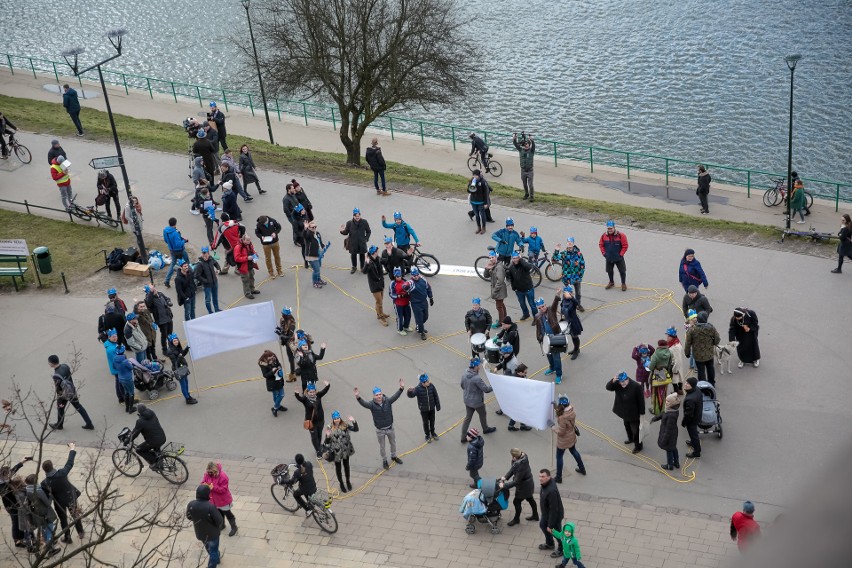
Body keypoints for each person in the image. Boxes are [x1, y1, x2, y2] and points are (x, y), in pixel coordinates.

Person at [354, 381, 405, 470]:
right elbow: (364, 404)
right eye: (377, 395)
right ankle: (384, 460)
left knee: (393, 443)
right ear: (374, 396)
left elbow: (395, 396)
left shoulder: (388, 401)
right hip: (380, 430)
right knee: (382, 447)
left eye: (380, 394)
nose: (379, 396)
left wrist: (401, 388)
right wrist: (358, 397)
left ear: (382, 394)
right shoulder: (372, 405)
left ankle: (394, 456)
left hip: (390, 428)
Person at [40, 444, 85, 543]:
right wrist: (72, 449)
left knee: (63, 519)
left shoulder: (44, 483)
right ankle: (80, 532)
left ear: (44, 470)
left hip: (59, 502)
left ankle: (67, 537)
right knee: (75, 514)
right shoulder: (62, 473)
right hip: (70, 497)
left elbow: (47, 496)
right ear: (52, 466)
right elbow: (70, 463)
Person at [47, 355, 94, 431]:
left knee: (61, 408)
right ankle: (89, 423)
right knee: (79, 407)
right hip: (72, 391)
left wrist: (59, 400)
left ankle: (59, 425)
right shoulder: (65, 366)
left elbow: (58, 389)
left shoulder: (56, 376)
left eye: (49, 362)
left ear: (52, 363)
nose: (48, 364)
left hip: (63, 395)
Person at [606, 372, 646, 454]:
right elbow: (608, 388)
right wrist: (612, 381)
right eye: (621, 382)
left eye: (624, 381)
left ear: (628, 379)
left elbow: (641, 401)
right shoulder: (617, 384)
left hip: (633, 414)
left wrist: (642, 413)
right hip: (624, 411)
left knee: (636, 431)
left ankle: (638, 446)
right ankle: (630, 439)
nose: (622, 384)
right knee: (627, 426)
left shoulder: (636, 387)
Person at [186, 484, 224, 568]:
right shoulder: (210, 506)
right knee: (213, 551)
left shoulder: (191, 504)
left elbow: (189, 516)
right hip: (213, 534)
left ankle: (216, 558)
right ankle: (213, 563)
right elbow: (219, 521)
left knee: (209, 549)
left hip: (200, 533)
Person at [459, 358, 496, 442]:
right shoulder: (476, 378)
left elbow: (462, 385)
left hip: (467, 401)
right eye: (478, 366)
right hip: (477, 402)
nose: (479, 367)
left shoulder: (465, 373)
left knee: (467, 418)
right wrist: (494, 384)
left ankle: (463, 437)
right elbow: (486, 389)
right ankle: (485, 429)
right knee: (482, 415)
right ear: (475, 367)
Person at [24, 473, 60, 556]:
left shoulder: (27, 490)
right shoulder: (38, 491)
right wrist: (51, 496)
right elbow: (47, 503)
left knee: (44, 528)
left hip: (36, 513)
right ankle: (50, 549)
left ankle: (48, 542)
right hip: (45, 512)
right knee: (49, 529)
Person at [323, 412, 359, 493]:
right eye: (335, 419)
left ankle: (348, 481)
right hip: (336, 452)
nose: (337, 420)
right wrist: (328, 436)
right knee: (338, 468)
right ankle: (341, 483)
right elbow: (326, 443)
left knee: (346, 466)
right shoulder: (329, 427)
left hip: (345, 449)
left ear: (340, 418)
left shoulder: (345, 425)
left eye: (338, 418)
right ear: (333, 419)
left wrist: (354, 421)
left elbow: (356, 429)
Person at [501, 448, 538, 526]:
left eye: (512, 456)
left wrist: (504, 485)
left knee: (516, 501)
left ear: (515, 456)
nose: (512, 458)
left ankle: (516, 519)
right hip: (528, 483)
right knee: (530, 498)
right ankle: (535, 515)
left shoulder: (520, 465)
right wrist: (505, 477)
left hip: (523, 486)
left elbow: (516, 481)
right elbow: (513, 469)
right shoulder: (522, 458)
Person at [553, 395, 585, 482]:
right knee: (574, 451)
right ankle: (582, 468)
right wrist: (555, 406)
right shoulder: (572, 411)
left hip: (563, 441)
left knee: (559, 457)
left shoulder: (562, 418)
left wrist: (553, 427)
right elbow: (562, 411)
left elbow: (561, 432)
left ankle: (558, 477)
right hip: (571, 436)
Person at [295, 381, 331, 457]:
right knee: (314, 437)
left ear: (315, 391)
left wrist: (327, 385)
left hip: (320, 420)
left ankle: (318, 445)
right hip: (311, 422)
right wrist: (296, 393)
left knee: (319, 434)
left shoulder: (318, 395)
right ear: (307, 392)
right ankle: (318, 450)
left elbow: (325, 391)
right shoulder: (305, 399)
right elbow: (299, 398)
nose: (312, 394)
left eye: (313, 392)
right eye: (310, 392)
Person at [202, 462, 237, 537]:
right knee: (219, 513)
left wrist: (213, 488)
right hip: (213, 500)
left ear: (215, 471)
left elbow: (223, 490)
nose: (210, 474)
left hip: (223, 500)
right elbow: (203, 482)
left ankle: (234, 527)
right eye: (209, 472)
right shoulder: (207, 474)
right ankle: (222, 525)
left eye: (211, 472)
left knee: (228, 513)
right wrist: (204, 485)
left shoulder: (223, 476)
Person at [684, 311, 720, 385]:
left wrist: (687, 353)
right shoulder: (711, 327)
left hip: (698, 355)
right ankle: (711, 383)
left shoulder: (692, 330)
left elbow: (688, 343)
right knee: (710, 368)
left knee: (701, 370)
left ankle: (702, 385)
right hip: (709, 353)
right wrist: (713, 343)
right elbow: (717, 339)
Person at [534, 294, 563, 384]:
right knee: (549, 355)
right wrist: (539, 337)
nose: (542, 309)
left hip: (554, 337)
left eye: (543, 306)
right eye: (539, 308)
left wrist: (557, 295)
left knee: (556, 357)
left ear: (545, 305)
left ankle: (559, 374)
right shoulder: (537, 316)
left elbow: (555, 303)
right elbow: (538, 328)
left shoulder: (551, 310)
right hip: (545, 339)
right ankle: (552, 368)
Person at [650, 392, 681, 470]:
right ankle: (676, 463)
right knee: (673, 448)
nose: (666, 402)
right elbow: (662, 414)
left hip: (669, 434)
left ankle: (669, 465)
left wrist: (664, 440)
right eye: (666, 400)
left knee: (669, 450)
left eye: (668, 401)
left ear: (672, 403)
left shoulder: (671, 415)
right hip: (673, 433)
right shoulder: (672, 409)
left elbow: (668, 430)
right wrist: (655, 418)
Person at [553, 237, 586, 312]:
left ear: (573, 243)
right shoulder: (564, 254)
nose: (569, 243)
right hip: (567, 278)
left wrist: (580, 275)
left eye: (571, 242)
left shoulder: (579, 254)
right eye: (568, 242)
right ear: (567, 244)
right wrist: (556, 250)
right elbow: (554, 259)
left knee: (578, 293)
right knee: (567, 294)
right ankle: (567, 307)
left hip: (576, 277)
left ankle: (578, 304)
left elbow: (582, 265)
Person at [538, 468, 565, 559]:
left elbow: (554, 509)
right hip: (546, 513)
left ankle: (562, 548)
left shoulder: (551, 491)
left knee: (556, 533)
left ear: (549, 477)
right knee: (542, 525)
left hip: (554, 516)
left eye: (543, 476)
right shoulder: (546, 483)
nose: (540, 478)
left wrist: (550, 524)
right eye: (540, 476)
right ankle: (550, 543)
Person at [407, 373, 441, 442]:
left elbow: (435, 396)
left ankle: (433, 433)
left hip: (431, 408)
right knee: (425, 423)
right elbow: (411, 395)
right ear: (423, 383)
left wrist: (437, 406)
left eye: (428, 380)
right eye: (427, 381)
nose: (429, 382)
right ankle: (427, 435)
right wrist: (409, 391)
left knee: (432, 421)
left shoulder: (431, 386)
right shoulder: (417, 389)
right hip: (424, 410)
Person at [166, 333, 198, 405]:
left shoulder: (177, 347)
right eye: (174, 341)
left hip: (183, 367)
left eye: (177, 340)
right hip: (178, 369)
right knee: (183, 384)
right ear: (171, 342)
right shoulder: (170, 351)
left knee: (186, 383)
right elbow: (175, 363)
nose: (176, 342)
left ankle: (188, 395)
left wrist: (187, 348)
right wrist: (180, 356)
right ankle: (187, 399)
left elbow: (182, 354)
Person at [363, 245, 389, 327]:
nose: (378, 252)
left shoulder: (378, 258)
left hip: (381, 283)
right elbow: (364, 271)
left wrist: (390, 254)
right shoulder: (369, 262)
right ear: (374, 252)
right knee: (379, 302)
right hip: (374, 286)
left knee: (380, 300)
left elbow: (385, 261)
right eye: (377, 251)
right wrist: (366, 263)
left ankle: (380, 313)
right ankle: (381, 317)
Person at [506, 252, 537, 321]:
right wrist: (514, 288)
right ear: (512, 259)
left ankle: (536, 317)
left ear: (519, 258)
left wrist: (521, 260)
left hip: (528, 289)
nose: (515, 260)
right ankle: (526, 314)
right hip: (519, 290)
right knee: (522, 304)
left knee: (532, 304)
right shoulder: (511, 268)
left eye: (517, 258)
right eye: (514, 258)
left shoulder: (523, 265)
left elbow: (529, 267)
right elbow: (511, 279)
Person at [144, 284, 174, 354]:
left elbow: (167, 298)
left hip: (168, 317)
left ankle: (171, 346)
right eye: (151, 290)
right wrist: (151, 293)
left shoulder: (160, 294)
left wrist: (168, 302)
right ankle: (165, 350)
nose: (154, 290)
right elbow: (148, 303)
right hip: (161, 320)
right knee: (164, 335)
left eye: (153, 288)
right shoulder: (149, 298)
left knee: (170, 333)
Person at [599, 220, 629, 290]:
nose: (610, 230)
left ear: (614, 228)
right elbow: (601, 245)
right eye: (608, 228)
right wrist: (604, 253)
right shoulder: (603, 236)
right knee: (609, 271)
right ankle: (611, 282)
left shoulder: (621, 235)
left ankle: (623, 283)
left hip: (619, 258)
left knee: (622, 271)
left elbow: (625, 246)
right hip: (609, 257)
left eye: (611, 228)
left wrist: (621, 254)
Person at [340, 208, 371, 273]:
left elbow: (368, 231)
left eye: (358, 216)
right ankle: (354, 267)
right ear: (353, 216)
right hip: (353, 243)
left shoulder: (364, 222)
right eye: (356, 216)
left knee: (362, 255)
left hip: (362, 242)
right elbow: (346, 232)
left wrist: (366, 238)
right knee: (353, 255)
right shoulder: (349, 223)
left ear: (360, 215)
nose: (357, 217)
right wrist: (342, 231)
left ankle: (362, 267)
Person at [648, 339, 674, 416]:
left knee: (655, 393)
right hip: (665, 375)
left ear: (659, 345)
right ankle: (663, 409)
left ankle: (655, 410)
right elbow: (670, 364)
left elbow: (651, 367)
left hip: (657, 376)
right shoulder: (670, 352)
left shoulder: (656, 354)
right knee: (663, 393)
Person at [258, 350, 288, 417]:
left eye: (273, 357)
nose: (272, 358)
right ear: (266, 357)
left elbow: (279, 364)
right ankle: (277, 407)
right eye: (270, 358)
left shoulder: (274, 358)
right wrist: (272, 371)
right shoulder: (263, 364)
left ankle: (275, 407)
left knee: (281, 394)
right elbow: (265, 375)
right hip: (272, 382)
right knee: (276, 395)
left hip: (279, 380)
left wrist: (279, 367)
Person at [162, 217, 190, 289]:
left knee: (173, 264)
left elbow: (165, 240)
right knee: (187, 262)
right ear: (175, 223)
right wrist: (184, 241)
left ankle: (167, 280)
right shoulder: (175, 233)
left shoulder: (165, 230)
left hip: (172, 250)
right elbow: (178, 244)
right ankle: (189, 277)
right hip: (180, 250)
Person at [408, 267, 434, 340]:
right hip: (416, 304)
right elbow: (405, 287)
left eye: (417, 275)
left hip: (424, 301)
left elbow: (428, 288)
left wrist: (431, 297)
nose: (416, 277)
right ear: (412, 275)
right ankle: (421, 332)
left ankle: (419, 326)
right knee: (419, 318)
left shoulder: (423, 279)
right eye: (414, 275)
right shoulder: (410, 282)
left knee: (425, 316)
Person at [483, 250, 508, 322]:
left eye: (492, 257)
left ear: (496, 257)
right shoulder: (493, 265)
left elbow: (500, 281)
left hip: (499, 290)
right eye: (489, 258)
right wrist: (487, 269)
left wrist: (494, 291)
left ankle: (501, 322)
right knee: (501, 304)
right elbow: (486, 276)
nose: (491, 259)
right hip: (497, 289)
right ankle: (505, 318)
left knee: (499, 307)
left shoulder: (499, 267)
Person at [233, 233, 261, 299]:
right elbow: (236, 258)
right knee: (246, 280)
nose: (249, 241)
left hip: (250, 265)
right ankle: (247, 293)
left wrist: (255, 254)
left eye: (249, 240)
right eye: (247, 240)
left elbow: (252, 251)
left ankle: (252, 289)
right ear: (243, 240)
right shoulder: (238, 247)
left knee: (251, 278)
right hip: (243, 267)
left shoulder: (249, 244)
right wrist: (247, 258)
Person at [560, 285, 583, 361]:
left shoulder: (572, 301)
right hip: (567, 321)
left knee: (575, 336)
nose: (566, 294)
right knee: (572, 336)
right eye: (565, 293)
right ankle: (575, 348)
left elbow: (577, 303)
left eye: (568, 293)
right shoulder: (563, 300)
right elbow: (562, 308)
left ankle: (577, 350)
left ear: (571, 293)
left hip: (573, 321)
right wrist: (562, 316)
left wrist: (571, 297)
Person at [681, 377, 703, 459]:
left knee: (693, 434)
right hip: (697, 415)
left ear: (692, 386)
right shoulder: (696, 389)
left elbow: (689, 414)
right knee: (693, 434)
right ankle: (693, 443)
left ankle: (697, 452)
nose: (685, 384)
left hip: (692, 420)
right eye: (686, 382)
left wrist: (684, 422)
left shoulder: (690, 399)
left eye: (688, 384)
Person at [196, 247, 222, 314]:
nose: (204, 255)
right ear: (201, 253)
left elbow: (216, 263)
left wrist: (218, 269)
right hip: (207, 285)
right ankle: (210, 312)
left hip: (214, 282)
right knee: (208, 300)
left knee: (215, 297)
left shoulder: (211, 258)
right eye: (203, 253)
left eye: (206, 253)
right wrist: (205, 281)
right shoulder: (200, 264)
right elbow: (197, 275)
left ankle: (216, 309)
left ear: (208, 253)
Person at [274, 307, 298, 380]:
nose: (282, 314)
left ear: (287, 315)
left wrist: (281, 335)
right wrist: (279, 330)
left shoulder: (292, 323)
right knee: (290, 358)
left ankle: (292, 374)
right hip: (285, 340)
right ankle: (294, 372)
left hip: (290, 342)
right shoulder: (282, 319)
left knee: (291, 358)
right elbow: (283, 328)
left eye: (283, 314)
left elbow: (289, 336)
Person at [303, 220, 328, 288]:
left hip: (318, 253)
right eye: (312, 227)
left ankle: (318, 279)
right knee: (316, 270)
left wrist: (323, 247)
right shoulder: (309, 234)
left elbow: (320, 242)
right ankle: (315, 282)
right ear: (309, 228)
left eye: (315, 227)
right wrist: (305, 228)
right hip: (311, 255)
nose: (314, 228)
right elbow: (305, 236)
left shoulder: (317, 233)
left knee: (318, 268)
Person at [389, 268, 413, 335]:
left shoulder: (405, 281)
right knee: (400, 317)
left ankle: (406, 326)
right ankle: (400, 329)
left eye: (399, 276)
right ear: (394, 276)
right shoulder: (393, 283)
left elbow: (410, 289)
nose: (399, 278)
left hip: (406, 302)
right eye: (397, 276)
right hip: (398, 304)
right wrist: (399, 296)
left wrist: (408, 294)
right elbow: (391, 294)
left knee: (408, 315)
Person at [513, 132, 536, 201]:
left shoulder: (531, 151)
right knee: (524, 184)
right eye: (525, 144)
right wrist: (514, 138)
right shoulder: (521, 150)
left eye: (527, 144)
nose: (526, 145)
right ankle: (526, 194)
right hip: (523, 170)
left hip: (530, 171)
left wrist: (531, 139)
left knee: (530, 185)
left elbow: (533, 145)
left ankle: (531, 196)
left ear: (529, 145)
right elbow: (515, 144)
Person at [467, 170, 491, 234]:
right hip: (473, 201)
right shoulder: (471, 181)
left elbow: (486, 193)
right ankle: (478, 227)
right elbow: (468, 191)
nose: (475, 177)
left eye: (476, 175)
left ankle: (483, 228)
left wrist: (486, 203)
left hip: (481, 202)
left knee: (482, 215)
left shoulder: (482, 182)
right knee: (477, 215)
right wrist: (471, 186)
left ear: (479, 175)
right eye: (474, 175)